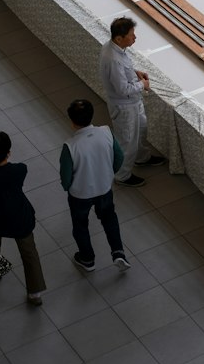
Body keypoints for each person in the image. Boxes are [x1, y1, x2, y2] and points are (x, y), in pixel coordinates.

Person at [0, 132, 46, 306]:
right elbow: (13, 167)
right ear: (9, 153)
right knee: (29, 254)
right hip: (20, 219)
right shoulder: (20, 170)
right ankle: (35, 293)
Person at [59, 99, 130, 272]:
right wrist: (107, 173)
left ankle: (87, 259)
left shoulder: (70, 146)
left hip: (80, 194)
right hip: (104, 188)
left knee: (80, 224)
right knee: (109, 218)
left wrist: (68, 186)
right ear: (92, 115)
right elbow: (119, 157)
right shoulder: (106, 132)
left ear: (72, 121)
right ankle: (118, 252)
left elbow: (66, 176)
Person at [98, 15, 165, 188]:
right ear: (119, 38)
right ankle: (122, 174)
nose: (135, 37)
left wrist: (135, 73)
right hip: (125, 106)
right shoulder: (113, 59)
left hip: (133, 103)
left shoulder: (115, 49)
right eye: (131, 35)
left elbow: (123, 71)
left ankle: (142, 158)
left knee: (141, 129)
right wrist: (142, 84)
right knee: (127, 141)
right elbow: (123, 89)